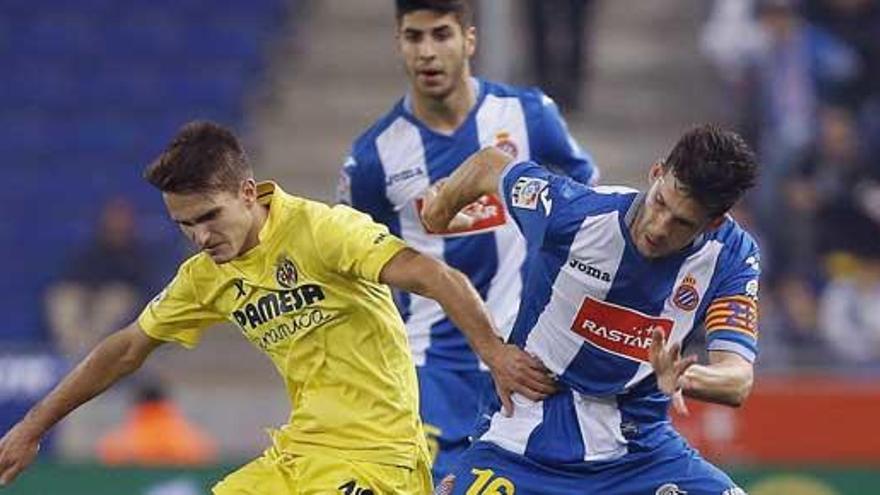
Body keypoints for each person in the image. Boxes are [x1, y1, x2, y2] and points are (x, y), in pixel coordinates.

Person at [0, 121, 555, 494]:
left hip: (378, 460)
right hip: (299, 458)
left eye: (209, 216)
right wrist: (31, 427)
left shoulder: (323, 231)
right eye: (184, 225)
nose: (199, 237)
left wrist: (494, 352)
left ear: (247, 192)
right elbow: (125, 349)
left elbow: (434, 274)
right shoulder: (206, 276)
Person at [338, 0, 597, 480]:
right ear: (399, 44)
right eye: (414, 38)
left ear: (469, 40)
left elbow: (584, 212)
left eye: (441, 34)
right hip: (429, 372)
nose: (428, 53)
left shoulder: (529, 117)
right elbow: (351, 268)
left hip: (528, 363)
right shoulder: (373, 158)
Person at [423, 124, 759, 494]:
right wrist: (438, 213)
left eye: (682, 222)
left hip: (639, 454)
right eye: (660, 202)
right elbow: (489, 165)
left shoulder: (733, 257)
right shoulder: (571, 213)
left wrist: (684, 378)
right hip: (524, 438)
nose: (660, 227)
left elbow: (738, 379)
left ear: (714, 222)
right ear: (656, 173)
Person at [45, 196, 159, 358]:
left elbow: (145, 286)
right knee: (62, 297)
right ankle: (72, 353)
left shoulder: (139, 253)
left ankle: (90, 353)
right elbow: (74, 277)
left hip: (121, 300)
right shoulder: (93, 249)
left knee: (115, 300)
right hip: (90, 296)